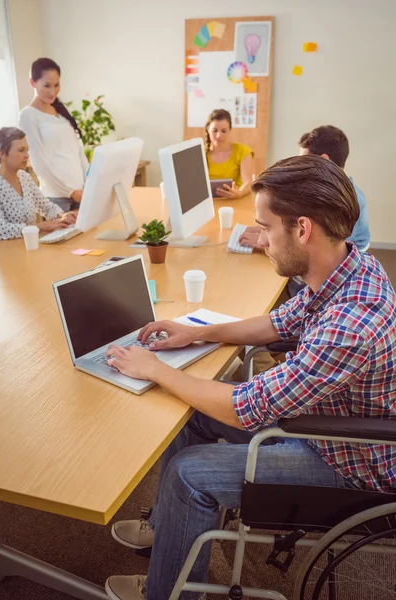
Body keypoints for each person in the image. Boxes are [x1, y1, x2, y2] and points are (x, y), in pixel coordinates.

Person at [103, 155, 396, 600]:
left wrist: (155, 369)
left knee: (187, 472)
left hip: (347, 463)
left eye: (265, 227)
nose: (258, 238)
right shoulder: (348, 267)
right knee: (191, 416)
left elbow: (244, 410)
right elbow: (279, 323)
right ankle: (168, 532)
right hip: (321, 423)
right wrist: (196, 332)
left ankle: (170, 594)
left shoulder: (349, 324)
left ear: (302, 229)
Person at [239, 125, 370, 255]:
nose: (300, 167)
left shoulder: (347, 200)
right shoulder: (324, 189)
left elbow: (325, 251)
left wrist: (269, 243)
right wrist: (269, 230)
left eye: (304, 161)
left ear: (324, 160)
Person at [18, 57, 88, 212]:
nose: (53, 91)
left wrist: (89, 183)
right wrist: (70, 192)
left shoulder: (61, 112)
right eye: (47, 85)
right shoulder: (28, 116)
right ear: (32, 83)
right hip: (57, 198)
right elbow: (39, 162)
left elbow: (78, 152)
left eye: (57, 85)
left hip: (82, 193)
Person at [0, 127, 76, 240]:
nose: (27, 155)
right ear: (2, 153)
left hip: (30, 246)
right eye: (21, 150)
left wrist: (61, 216)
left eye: (27, 150)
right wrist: (38, 227)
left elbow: (46, 206)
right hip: (9, 251)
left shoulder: (25, 178)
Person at [205, 109, 253, 199]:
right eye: (214, 131)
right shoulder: (201, 152)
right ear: (208, 130)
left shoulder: (243, 151)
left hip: (236, 200)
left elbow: (248, 183)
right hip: (210, 201)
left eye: (223, 131)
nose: (219, 136)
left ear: (229, 130)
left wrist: (239, 193)